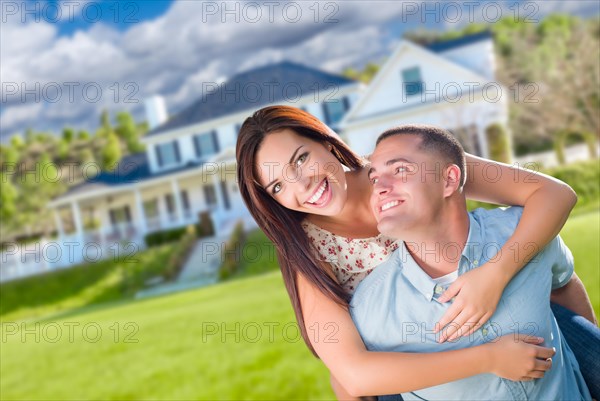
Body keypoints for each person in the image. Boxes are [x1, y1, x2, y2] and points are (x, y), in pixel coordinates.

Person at [235, 105, 596, 398]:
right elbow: (354, 374)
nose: (302, 185)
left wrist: (496, 274)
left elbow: (552, 194)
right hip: (419, 363)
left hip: (509, 311)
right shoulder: (307, 252)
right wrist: (488, 359)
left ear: (326, 144)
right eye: (278, 185)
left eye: (300, 160)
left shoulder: (403, 165)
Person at [349, 125, 594, 400]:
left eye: (400, 170)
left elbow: (563, 284)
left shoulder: (523, 231)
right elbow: (354, 382)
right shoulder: (370, 310)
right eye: (374, 179)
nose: (380, 188)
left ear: (449, 180)